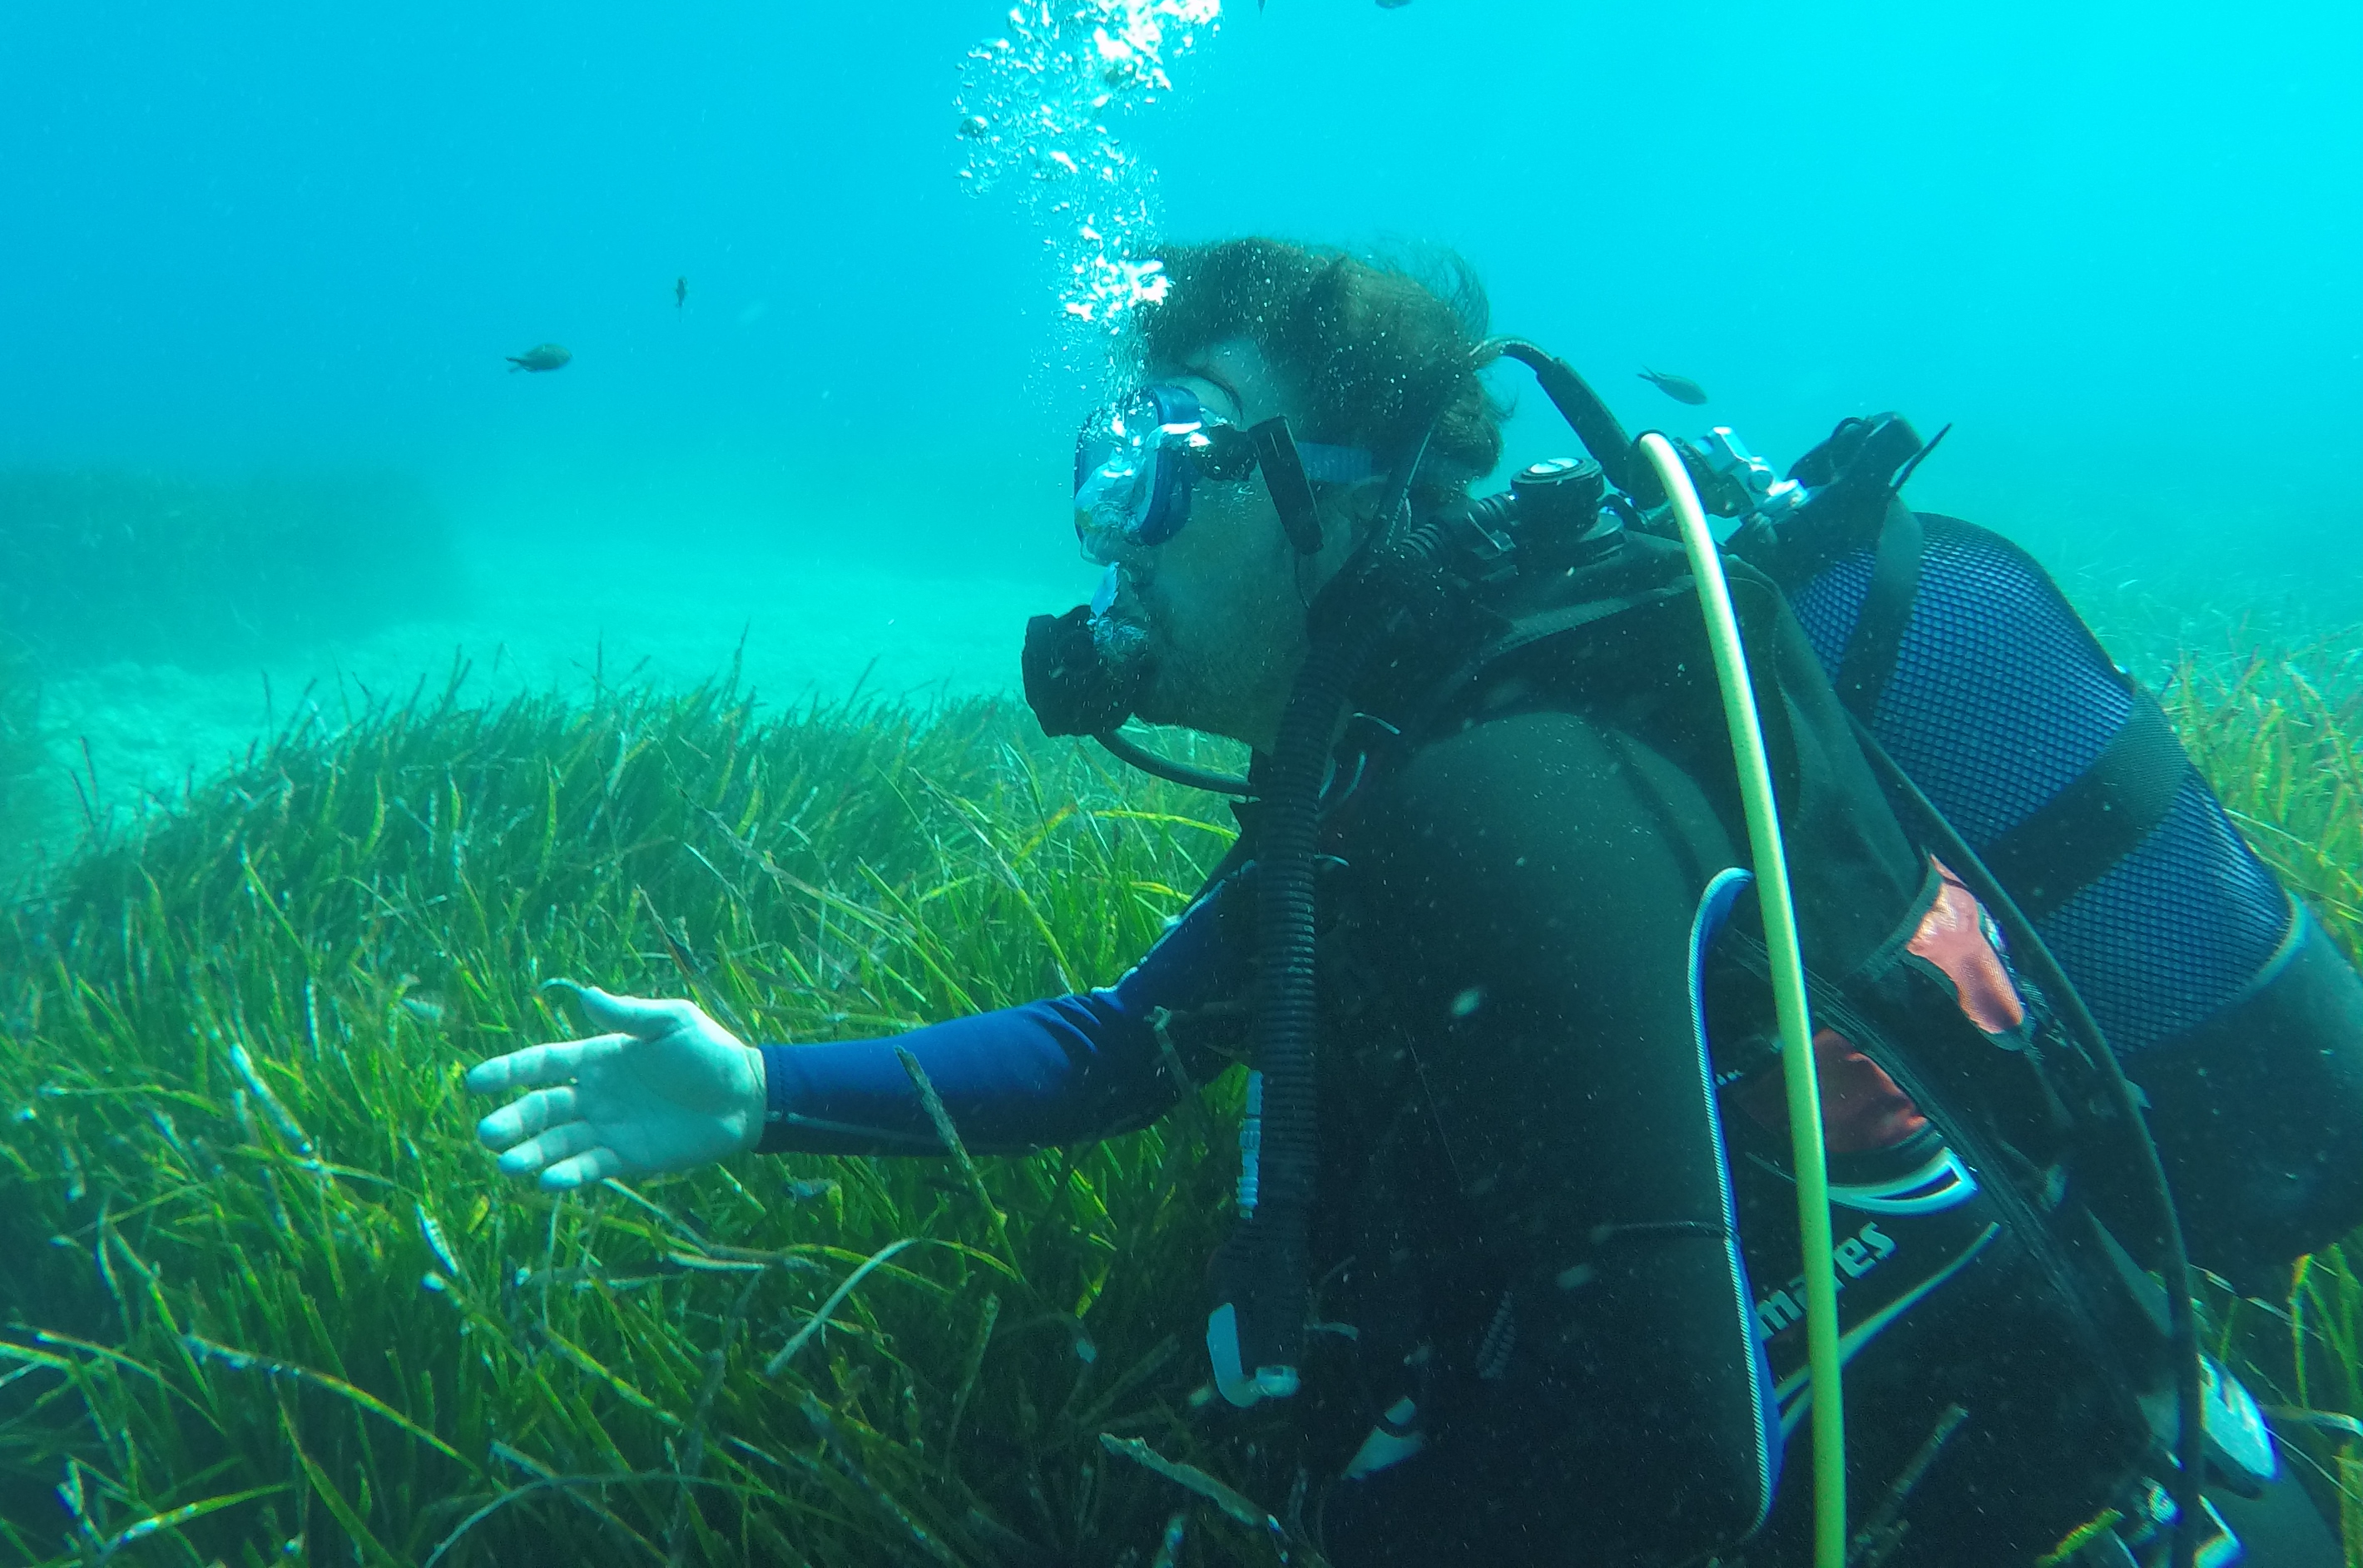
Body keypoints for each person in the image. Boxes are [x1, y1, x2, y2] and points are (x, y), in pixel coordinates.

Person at [465, 240, 2351, 1565]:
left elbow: (1667, 1456)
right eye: (1103, 464)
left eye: (1167, 465)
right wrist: (759, 1093)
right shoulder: (1404, 773)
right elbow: (1128, 1042)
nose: (1105, 526)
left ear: (1341, 503)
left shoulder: (1488, 798)